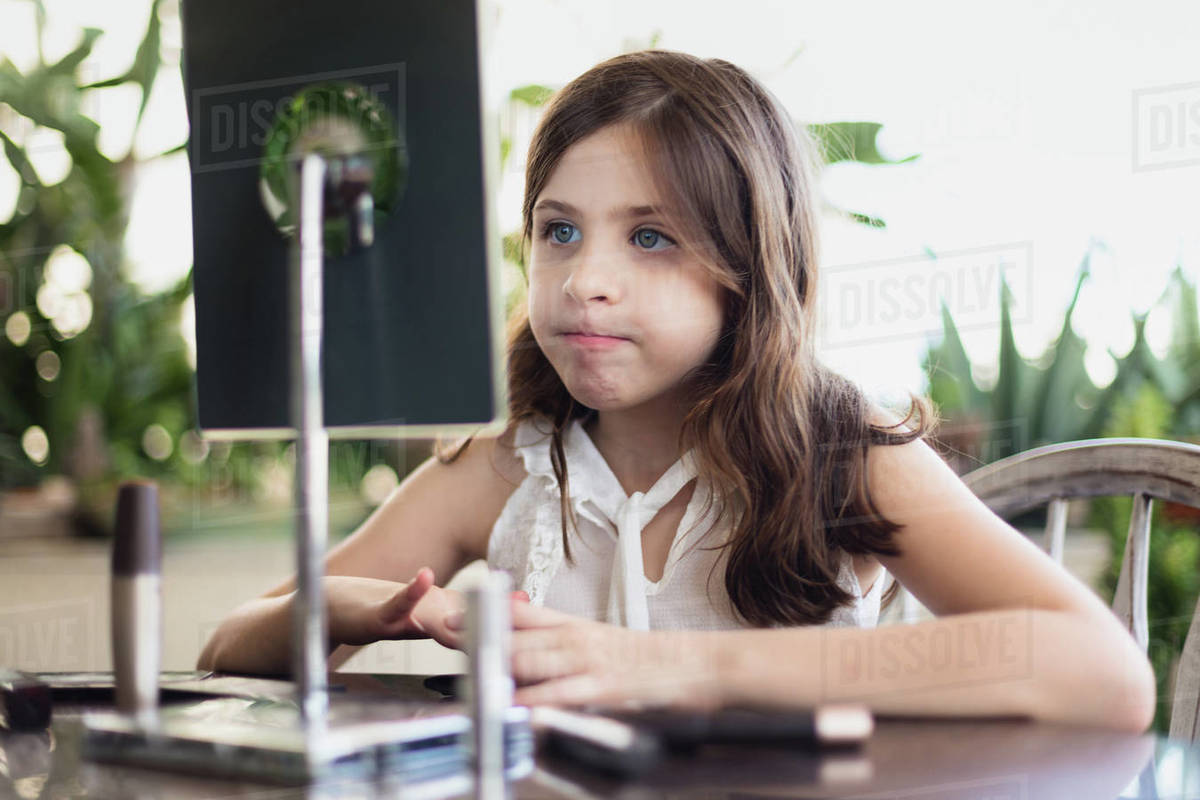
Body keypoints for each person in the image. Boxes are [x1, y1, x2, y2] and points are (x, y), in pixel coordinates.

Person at [198, 50, 1155, 732]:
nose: (583, 281)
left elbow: (1108, 676)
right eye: (559, 231)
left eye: (650, 237)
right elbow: (229, 644)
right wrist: (372, 607)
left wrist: (671, 666)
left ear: (748, 267)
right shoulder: (508, 464)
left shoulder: (843, 456)